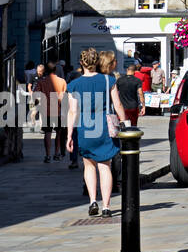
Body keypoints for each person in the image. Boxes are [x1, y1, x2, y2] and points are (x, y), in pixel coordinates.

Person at [66, 49, 125, 217]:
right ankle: (106, 206)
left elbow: (73, 112)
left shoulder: (74, 85)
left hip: (85, 128)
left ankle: (93, 200)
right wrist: (125, 122)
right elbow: (118, 105)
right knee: (105, 166)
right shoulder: (109, 80)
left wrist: (69, 135)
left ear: (81, 63)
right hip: (105, 128)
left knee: (89, 165)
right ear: (96, 62)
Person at [32, 61, 66, 162]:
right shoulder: (62, 81)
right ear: (55, 70)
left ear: (45, 70)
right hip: (59, 111)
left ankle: (47, 155)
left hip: (46, 111)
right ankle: (57, 153)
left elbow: (36, 95)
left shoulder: (41, 82)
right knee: (59, 133)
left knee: (47, 133)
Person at [116, 62, 143, 127]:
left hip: (122, 106)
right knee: (133, 125)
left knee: (122, 124)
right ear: (135, 71)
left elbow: (116, 92)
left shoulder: (119, 80)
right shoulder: (137, 80)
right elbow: (140, 93)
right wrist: (143, 106)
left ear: (127, 70)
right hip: (133, 106)